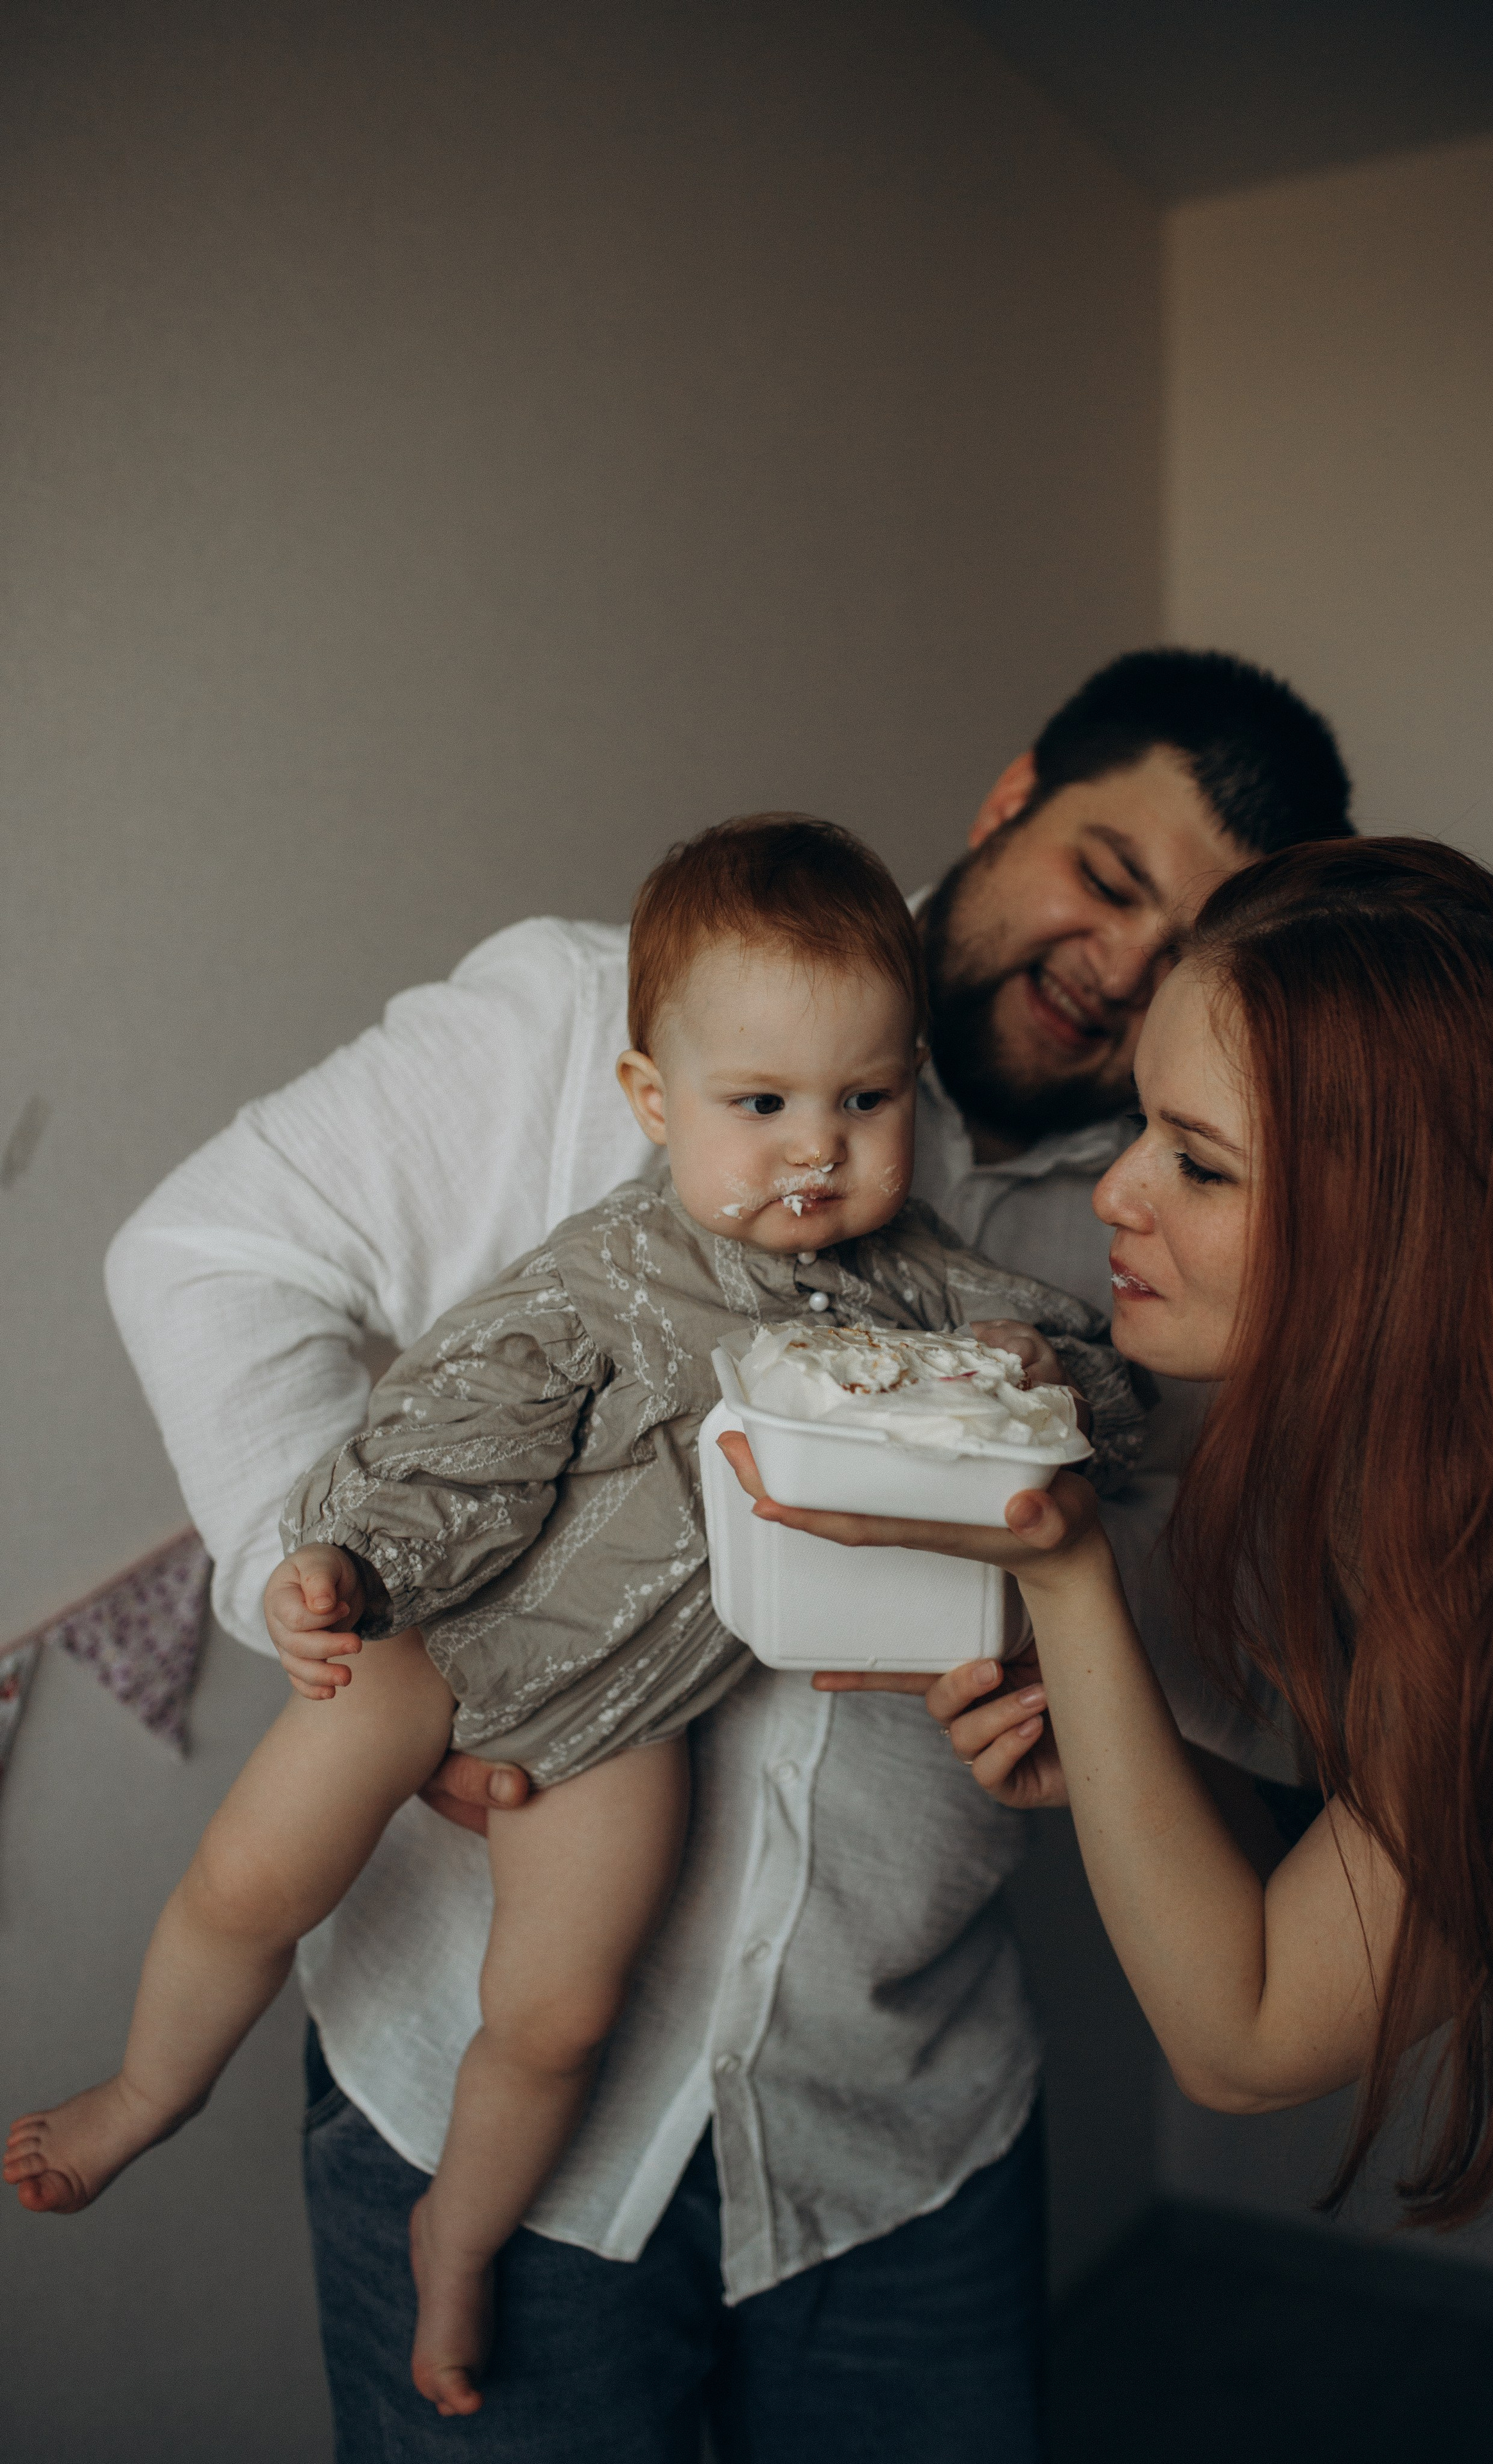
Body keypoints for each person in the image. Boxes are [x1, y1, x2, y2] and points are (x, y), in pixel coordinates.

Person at [96, 647, 1352, 2461]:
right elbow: (207, 1259)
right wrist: (355, 1618)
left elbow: (1206, 1571)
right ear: (1010, 801)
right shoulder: (578, 1016)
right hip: (465, 2072)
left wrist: (1080, 1640)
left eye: (1192, 943)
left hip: (898, 2129)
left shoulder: (1168, 1218)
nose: (1124, 966)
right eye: (1109, 876)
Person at [5, 815, 1141, 2418]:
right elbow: (450, 1430)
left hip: (626, 1725)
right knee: (253, 1879)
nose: (816, 1151)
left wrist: (1052, 1380)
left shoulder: (920, 1283)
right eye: (760, 1108)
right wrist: (329, 1566)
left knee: (555, 2017)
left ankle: (460, 2256)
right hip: (446, 1634)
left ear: (911, 1094)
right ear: (651, 1103)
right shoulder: (604, 1266)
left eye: (864, 1103)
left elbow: (1098, 1372)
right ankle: (141, 2091)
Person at [729, 838, 1493, 2464]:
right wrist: (1127, 1761)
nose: (1114, 1198)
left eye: (1200, 1164)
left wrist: (1060, 1568)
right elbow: (1347, 1889)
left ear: (1409, 1222)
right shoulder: (1439, 1473)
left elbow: (1248, 2033)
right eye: (1136, 1123)